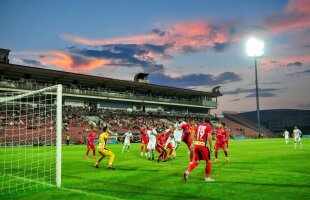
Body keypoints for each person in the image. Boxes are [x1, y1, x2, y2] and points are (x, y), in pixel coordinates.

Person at [184, 116, 214, 182]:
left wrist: (192, 143)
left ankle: (187, 171)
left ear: (203, 120)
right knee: (208, 161)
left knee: (196, 162)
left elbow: (192, 134)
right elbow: (209, 137)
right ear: (209, 121)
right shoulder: (209, 127)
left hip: (196, 145)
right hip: (203, 145)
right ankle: (207, 178)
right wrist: (211, 147)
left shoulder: (198, 126)